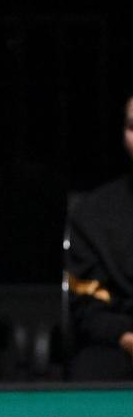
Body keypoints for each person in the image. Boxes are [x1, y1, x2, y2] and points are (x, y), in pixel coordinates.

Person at [66, 91, 133, 381]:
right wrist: (127, 338)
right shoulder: (92, 214)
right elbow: (88, 312)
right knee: (89, 370)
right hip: (120, 346)